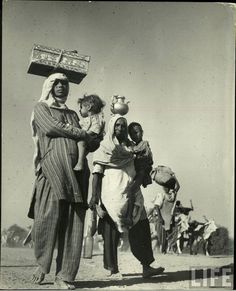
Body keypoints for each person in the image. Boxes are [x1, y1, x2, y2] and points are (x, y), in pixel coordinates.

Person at [28, 73, 93, 290]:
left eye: (65, 84)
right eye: (56, 83)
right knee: (47, 221)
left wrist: (87, 137)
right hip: (52, 170)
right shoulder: (41, 108)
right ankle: (42, 264)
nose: (61, 87)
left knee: (74, 225)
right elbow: (50, 128)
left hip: (77, 173)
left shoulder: (74, 113)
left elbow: (88, 140)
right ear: (49, 86)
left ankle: (64, 276)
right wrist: (79, 133)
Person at [89, 114, 165, 279]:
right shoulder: (105, 147)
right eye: (117, 125)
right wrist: (94, 196)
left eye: (124, 125)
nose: (121, 129)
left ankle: (147, 266)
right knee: (111, 232)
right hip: (111, 194)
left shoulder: (133, 147)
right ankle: (113, 270)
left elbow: (142, 166)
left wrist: (142, 175)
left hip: (132, 191)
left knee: (142, 227)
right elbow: (96, 173)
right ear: (111, 127)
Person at [126, 122, 153, 225]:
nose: (135, 135)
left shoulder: (143, 144)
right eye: (132, 133)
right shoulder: (133, 144)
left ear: (142, 132)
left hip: (141, 171)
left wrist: (129, 149)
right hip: (136, 171)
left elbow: (136, 151)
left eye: (137, 132)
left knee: (132, 190)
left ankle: (130, 216)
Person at [74, 94, 106, 171]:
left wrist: (84, 133)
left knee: (81, 143)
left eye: (81, 107)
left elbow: (95, 130)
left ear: (88, 107)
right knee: (81, 145)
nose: (80, 110)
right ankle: (80, 160)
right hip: (89, 139)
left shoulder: (96, 119)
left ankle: (80, 162)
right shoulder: (86, 119)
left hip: (94, 139)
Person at [151, 177, 180, 254]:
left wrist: (174, 177)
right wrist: (160, 218)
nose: (166, 188)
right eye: (165, 187)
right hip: (162, 217)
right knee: (162, 235)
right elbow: (157, 206)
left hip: (170, 217)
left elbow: (178, 187)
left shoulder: (172, 195)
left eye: (168, 187)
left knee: (174, 233)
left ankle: (171, 249)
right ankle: (163, 250)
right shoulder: (161, 195)